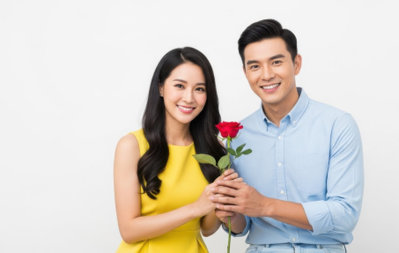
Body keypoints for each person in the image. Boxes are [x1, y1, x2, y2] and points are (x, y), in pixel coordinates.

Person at [211, 19, 364, 253]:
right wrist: (228, 212)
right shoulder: (237, 136)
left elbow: (345, 215)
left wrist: (264, 205)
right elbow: (242, 227)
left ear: (296, 63)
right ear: (245, 73)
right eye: (255, 66)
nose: (267, 74)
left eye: (276, 62)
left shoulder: (337, 125)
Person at [113, 47, 238, 253]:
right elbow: (128, 230)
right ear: (161, 88)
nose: (189, 98)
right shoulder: (132, 146)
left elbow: (206, 229)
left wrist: (223, 202)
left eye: (199, 89)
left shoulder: (214, 150)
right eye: (180, 86)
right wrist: (194, 208)